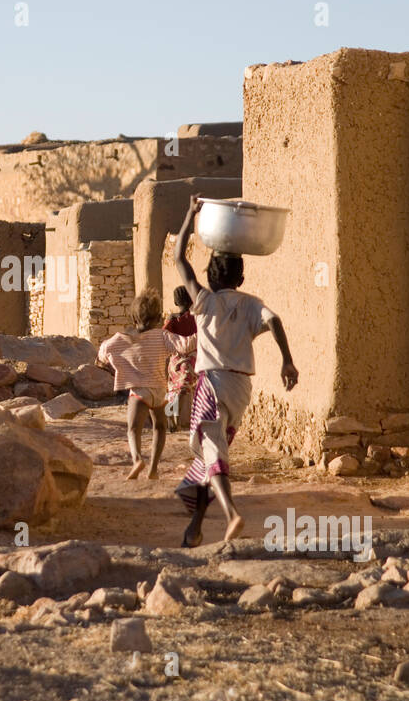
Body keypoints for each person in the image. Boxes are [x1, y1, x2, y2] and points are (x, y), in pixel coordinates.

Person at [174, 195, 298, 547]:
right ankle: (195, 527)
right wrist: (287, 360)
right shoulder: (251, 304)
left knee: (210, 452)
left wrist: (190, 214)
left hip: (211, 384)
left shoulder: (204, 301)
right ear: (241, 276)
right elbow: (274, 321)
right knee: (209, 456)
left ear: (210, 277)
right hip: (240, 389)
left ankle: (232, 514)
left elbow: (179, 258)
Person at [98, 290, 195, 481]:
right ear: (158, 317)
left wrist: (101, 360)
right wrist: (207, 331)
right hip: (159, 391)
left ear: (134, 318)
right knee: (159, 427)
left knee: (133, 429)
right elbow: (185, 345)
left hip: (138, 392)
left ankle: (137, 459)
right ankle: (153, 469)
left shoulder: (120, 339)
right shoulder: (162, 336)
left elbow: (103, 351)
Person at [163, 285, 197, 431]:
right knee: (189, 388)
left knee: (172, 388)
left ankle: (171, 420)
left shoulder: (173, 321)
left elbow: (163, 335)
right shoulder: (197, 319)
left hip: (176, 360)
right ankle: (188, 420)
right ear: (192, 301)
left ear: (176, 303)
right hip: (192, 361)